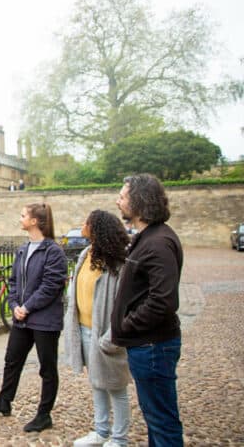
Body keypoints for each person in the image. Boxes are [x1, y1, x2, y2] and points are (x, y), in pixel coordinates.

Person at [0, 203, 68, 433]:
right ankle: (4, 402)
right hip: (23, 318)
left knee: (47, 368)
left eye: (23, 215)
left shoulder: (53, 251)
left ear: (35, 221)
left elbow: (50, 286)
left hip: (44, 319)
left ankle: (43, 414)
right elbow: (14, 282)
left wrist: (26, 306)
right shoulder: (23, 249)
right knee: (12, 360)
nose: (20, 219)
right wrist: (15, 305)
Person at [112, 174, 184, 446]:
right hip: (147, 344)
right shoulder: (149, 237)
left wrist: (127, 324)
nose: (118, 201)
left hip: (152, 345)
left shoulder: (157, 242)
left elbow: (163, 301)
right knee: (156, 418)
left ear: (140, 201)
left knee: (162, 421)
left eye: (123, 196)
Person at [64, 210, 131, 447]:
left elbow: (125, 304)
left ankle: (120, 438)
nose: (82, 225)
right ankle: (102, 431)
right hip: (84, 329)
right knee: (96, 382)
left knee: (116, 388)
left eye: (86, 223)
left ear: (97, 228)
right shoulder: (85, 254)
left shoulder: (118, 262)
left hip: (104, 332)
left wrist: (111, 337)